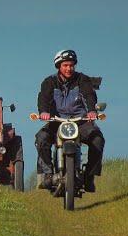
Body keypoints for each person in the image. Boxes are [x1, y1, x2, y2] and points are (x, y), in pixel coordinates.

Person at [35, 49, 105, 192]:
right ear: (59, 66)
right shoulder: (49, 82)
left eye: (71, 65)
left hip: (80, 122)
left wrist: (92, 111)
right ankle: (48, 173)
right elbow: (43, 97)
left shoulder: (82, 80)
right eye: (65, 65)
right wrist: (43, 112)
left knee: (97, 139)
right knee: (41, 138)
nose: (69, 68)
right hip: (57, 121)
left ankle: (89, 177)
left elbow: (89, 95)